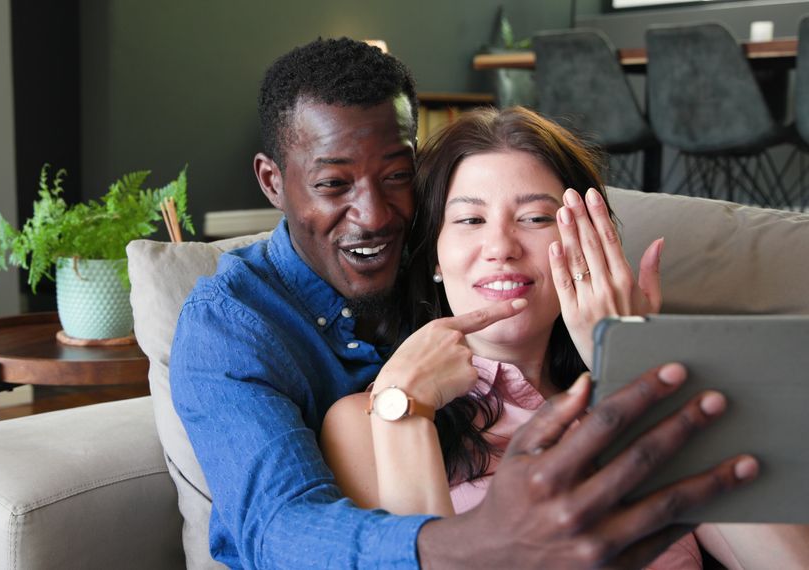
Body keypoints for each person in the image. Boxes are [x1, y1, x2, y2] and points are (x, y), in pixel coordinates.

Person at [169, 37, 757, 569]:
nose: (374, 216)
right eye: (333, 184)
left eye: (397, 176)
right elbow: (277, 529)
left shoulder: (641, 379)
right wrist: (410, 419)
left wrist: (637, 363)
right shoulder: (238, 328)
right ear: (273, 182)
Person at [320, 106, 809, 570]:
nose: (501, 248)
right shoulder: (370, 423)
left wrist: (636, 364)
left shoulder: (657, 401)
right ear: (433, 259)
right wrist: (406, 409)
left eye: (534, 218)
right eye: (470, 220)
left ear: (588, 245)